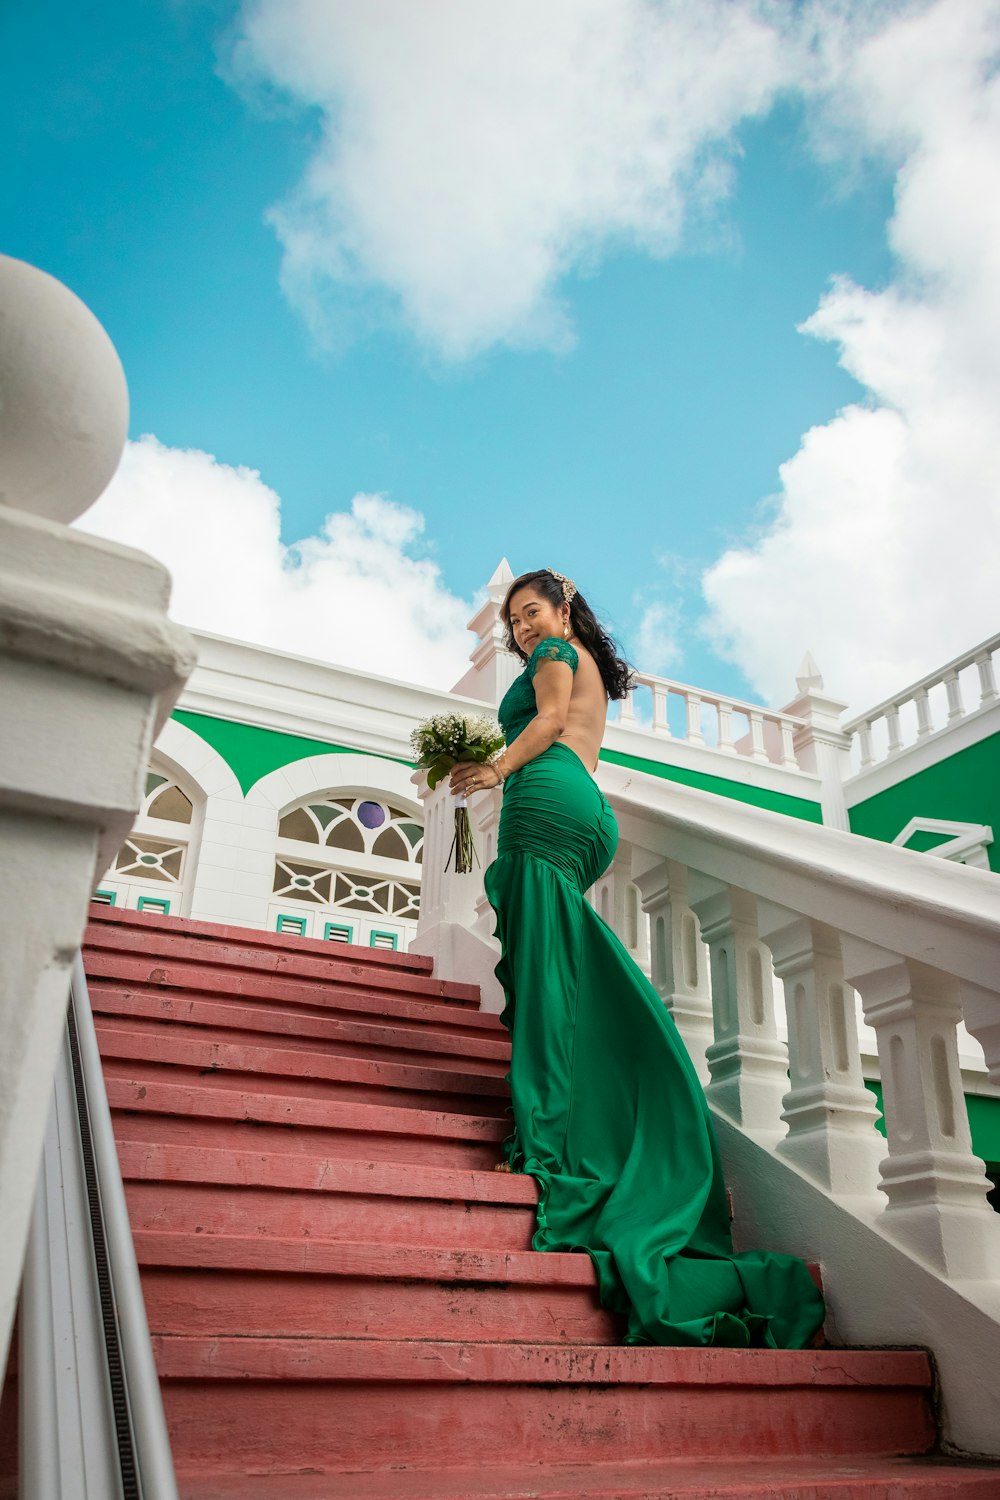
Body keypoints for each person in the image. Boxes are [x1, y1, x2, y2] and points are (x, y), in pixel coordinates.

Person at [449, 567, 824, 1349]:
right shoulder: (574, 655)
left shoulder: (556, 652)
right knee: (563, 975)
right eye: (512, 620)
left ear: (562, 607)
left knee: (552, 984)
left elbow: (549, 720)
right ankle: (608, 1102)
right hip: (580, 809)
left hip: (547, 799)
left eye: (531, 613)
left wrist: (496, 768)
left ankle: (552, 1148)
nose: (522, 628)